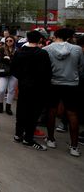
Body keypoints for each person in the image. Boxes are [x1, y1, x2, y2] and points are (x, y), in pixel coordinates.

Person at [43, 28, 84, 157]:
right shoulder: (77, 49)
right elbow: (81, 67)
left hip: (54, 83)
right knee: (72, 114)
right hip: (71, 83)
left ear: (55, 35)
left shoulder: (47, 49)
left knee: (52, 111)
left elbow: (45, 68)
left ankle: (50, 139)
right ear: (69, 37)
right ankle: (74, 146)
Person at [11, 31, 52, 150]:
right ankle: (28, 139)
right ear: (39, 40)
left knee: (21, 110)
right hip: (38, 88)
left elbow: (13, 69)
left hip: (24, 86)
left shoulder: (19, 52)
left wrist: (23, 78)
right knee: (33, 113)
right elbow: (47, 72)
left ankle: (18, 134)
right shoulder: (42, 53)